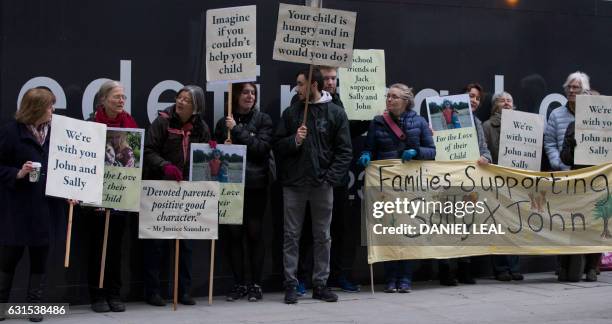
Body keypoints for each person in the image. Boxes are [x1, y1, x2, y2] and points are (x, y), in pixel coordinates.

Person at [274, 68, 352, 304]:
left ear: (314, 85)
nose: (297, 88)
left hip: (322, 185)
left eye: (300, 84)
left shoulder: (336, 113)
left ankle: (320, 284)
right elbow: (277, 145)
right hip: (294, 184)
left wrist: (330, 178)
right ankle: (291, 284)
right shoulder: (291, 113)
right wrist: (294, 140)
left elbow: (345, 151)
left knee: (323, 236)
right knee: (291, 236)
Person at [358, 83, 436, 293]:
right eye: (388, 96)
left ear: (405, 101)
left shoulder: (419, 122)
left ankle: (405, 278)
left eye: (394, 97)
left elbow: (432, 152)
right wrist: (366, 156)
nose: (389, 100)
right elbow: (369, 149)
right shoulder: (377, 122)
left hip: (410, 186)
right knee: (388, 231)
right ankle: (390, 278)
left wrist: (416, 152)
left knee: (408, 231)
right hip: (386, 187)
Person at [0, 87, 66, 322]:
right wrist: (18, 173)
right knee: (9, 259)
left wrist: (73, 189)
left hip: (47, 209)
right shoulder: (10, 132)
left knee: (40, 261)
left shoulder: (59, 133)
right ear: (37, 108)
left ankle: (34, 307)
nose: (53, 110)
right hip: (17, 210)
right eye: (50, 106)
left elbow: (71, 166)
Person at [142, 85, 211, 306]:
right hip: (161, 189)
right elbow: (148, 150)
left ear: (196, 107)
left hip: (188, 193)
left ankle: (183, 291)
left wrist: (211, 151)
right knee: (157, 245)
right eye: (179, 98)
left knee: (186, 245)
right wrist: (165, 166)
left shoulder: (201, 127)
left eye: (186, 100)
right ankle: (153, 291)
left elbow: (206, 160)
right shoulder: (162, 122)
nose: (180, 102)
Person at [214, 82, 273, 302]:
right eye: (245, 92)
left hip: (256, 184)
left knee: (255, 234)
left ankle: (255, 284)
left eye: (253, 93)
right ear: (236, 95)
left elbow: (261, 149)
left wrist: (238, 131)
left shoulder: (263, 120)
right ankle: (238, 283)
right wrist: (222, 146)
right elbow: (214, 153)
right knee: (233, 235)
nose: (250, 96)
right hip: (230, 186)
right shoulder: (223, 123)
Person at [85, 80, 138, 313]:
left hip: (120, 198)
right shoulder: (90, 125)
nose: (121, 101)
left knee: (116, 249)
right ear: (103, 99)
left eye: (123, 97)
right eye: (116, 96)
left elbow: (134, 163)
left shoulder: (130, 125)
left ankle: (114, 294)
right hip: (95, 199)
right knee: (97, 248)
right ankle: (97, 295)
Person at [438, 83, 492, 286]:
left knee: (466, 223)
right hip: (447, 179)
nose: (474, 100)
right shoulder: (444, 119)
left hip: (468, 181)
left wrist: (485, 158)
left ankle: (464, 268)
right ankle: (445, 269)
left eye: (477, 98)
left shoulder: (477, 123)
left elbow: (484, 149)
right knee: (446, 224)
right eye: (471, 96)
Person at [559, 90, 601, 282]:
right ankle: (565, 265)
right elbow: (564, 158)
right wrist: (573, 146)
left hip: (600, 183)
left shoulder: (607, 128)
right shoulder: (572, 126)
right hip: (577, 183)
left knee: (596, 224)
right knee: (571, 224)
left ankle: (593, 266)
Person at [482, 91, 524, 281]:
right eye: (502, 100)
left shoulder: (524, 125)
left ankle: (514, 266)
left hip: (515, 182)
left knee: (514, 225)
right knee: (497, 225)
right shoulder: (487, 126)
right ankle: (500, 268)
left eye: (510, 100)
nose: (507, 103)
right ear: (494, 106)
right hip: (495, 182)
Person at [544, 71, 590, 171]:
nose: (571, 90)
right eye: (568, 87)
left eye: (575, 87)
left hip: (589, 174)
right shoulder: (556, 114)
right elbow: (550, 143)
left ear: (584, 91)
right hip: (564, 174)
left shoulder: (593, 116)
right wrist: (558, 163)